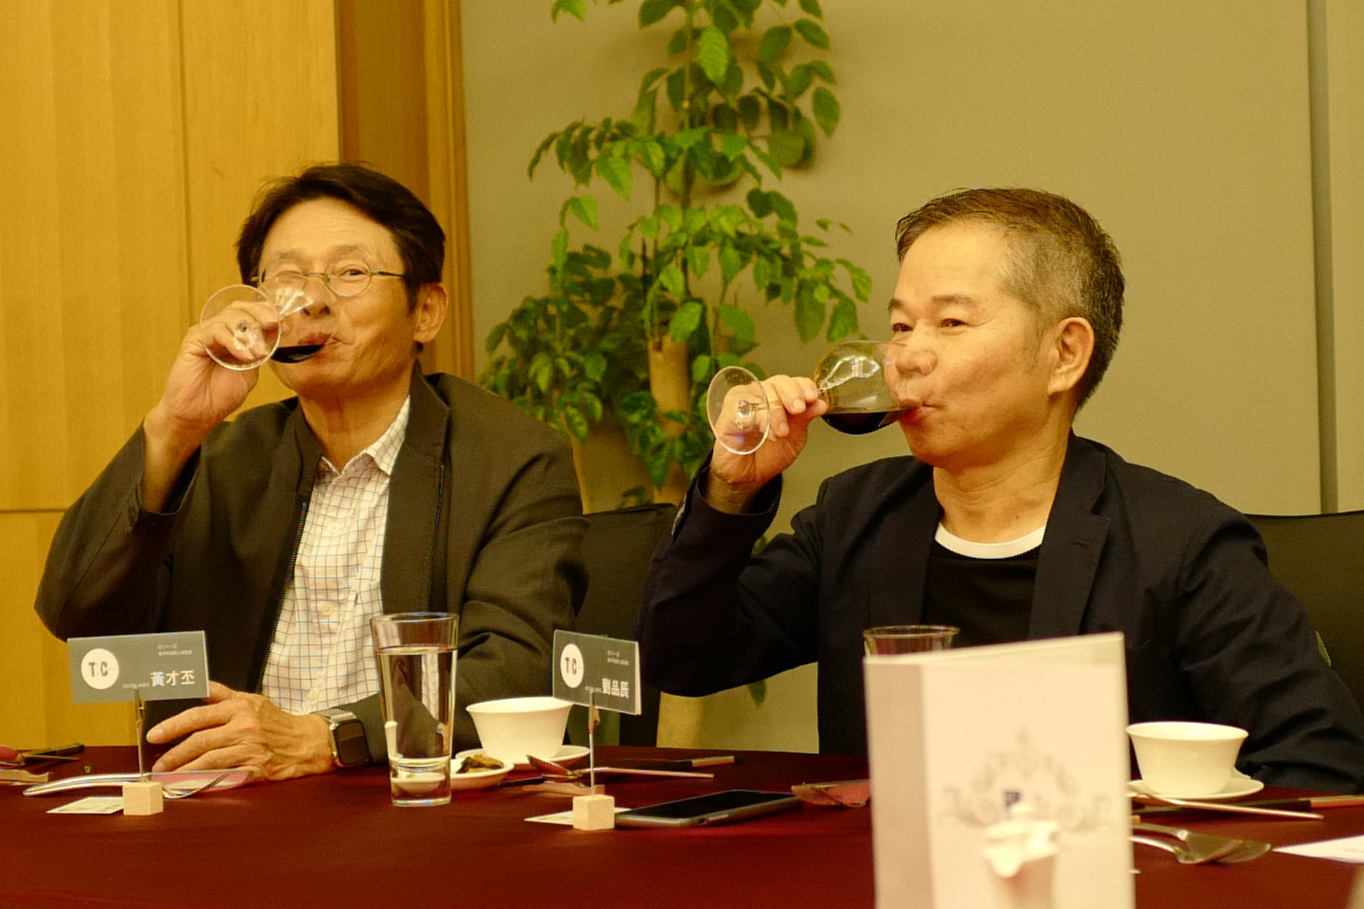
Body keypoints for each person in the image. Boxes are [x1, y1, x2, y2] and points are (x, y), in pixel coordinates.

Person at [638, 187, 1364, 791]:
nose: (906, 356)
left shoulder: (1179, 542)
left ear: (1064, 354)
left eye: (951, 322)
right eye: (900, 325)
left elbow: (1321, 767)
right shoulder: (856, 515)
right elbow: (685, 659)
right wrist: (730, 490)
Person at [36, 164, 585, 781]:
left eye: (350, 274)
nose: (314, 301)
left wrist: (328, 737)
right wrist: (174, 428)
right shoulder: (220, 458)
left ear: (426, 311)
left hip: (414, 803)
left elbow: (513, 670)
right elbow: (77, 614)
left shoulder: (511, 459)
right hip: (227, 805)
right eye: (286, 279)